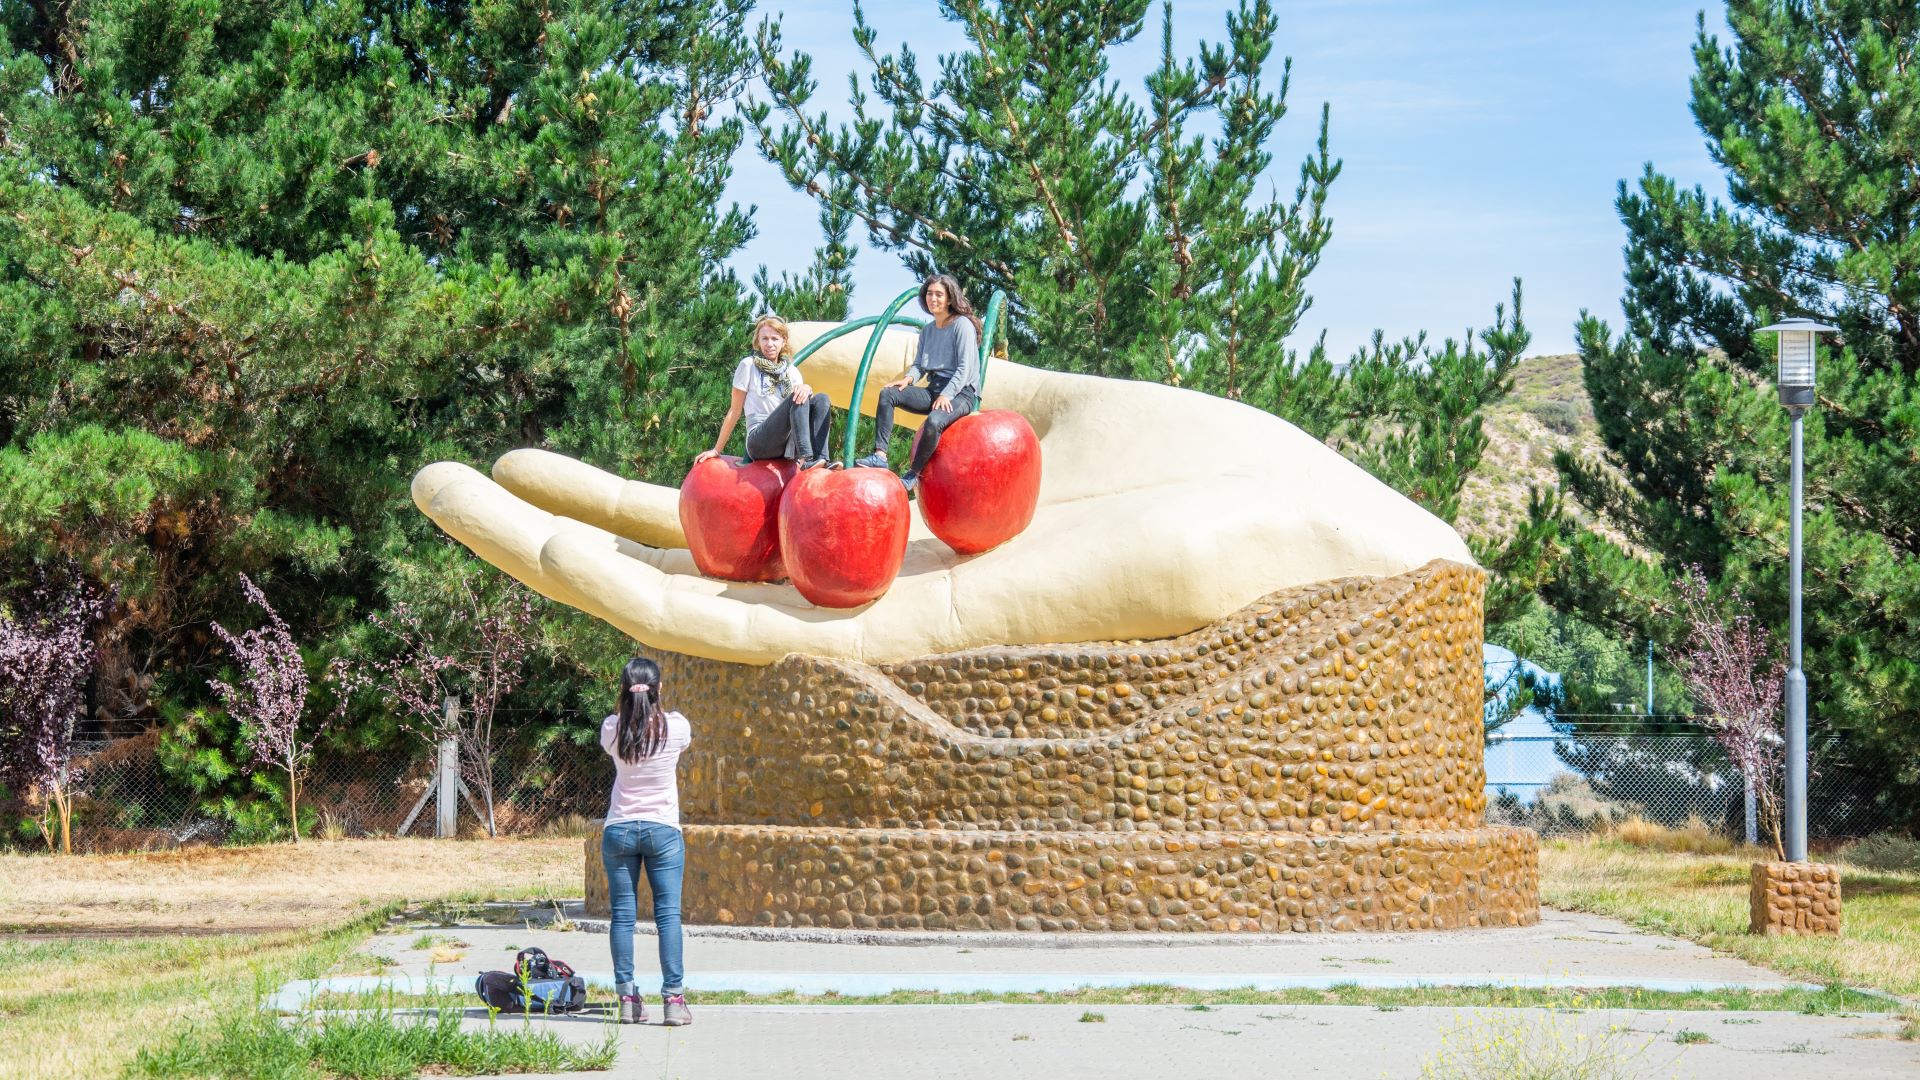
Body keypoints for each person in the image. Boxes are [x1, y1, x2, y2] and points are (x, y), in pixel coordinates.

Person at [599, 656, 694, 1026]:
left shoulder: (612, 729)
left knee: (623, 916)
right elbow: (672, 734)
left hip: (619, 829)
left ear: (623, 690)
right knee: (668, 916)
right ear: (659, 689)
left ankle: (627, 998)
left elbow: (623, 726)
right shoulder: (676, 727)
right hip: (663, 831)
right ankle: (673, 1000)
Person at [853, 274, 981, 491]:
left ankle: (914, 474)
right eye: (930, 294)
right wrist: (908, 379)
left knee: (934, 421)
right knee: (888, 393)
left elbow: (964, 369)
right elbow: (920, 365)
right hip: (935, 389)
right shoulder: (928, 330)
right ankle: (880, 455)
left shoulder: (962, 325)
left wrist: (947, 395)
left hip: (961, 392)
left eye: (939, 294)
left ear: (950, 298)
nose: (933, 298)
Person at [697, 314, 833, 469]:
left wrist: (806, 389)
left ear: (783, 341)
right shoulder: (748, 365)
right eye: (765, 339)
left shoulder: (792, 372)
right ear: (758, 342)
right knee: (796, 397)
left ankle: (822, 459)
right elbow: (734, 411)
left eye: (775, 339)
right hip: (760, 440)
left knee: (821, 398)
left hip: (787, 441)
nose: (770, 344)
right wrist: (716, 450)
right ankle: (807, 459)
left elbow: (802, 410)